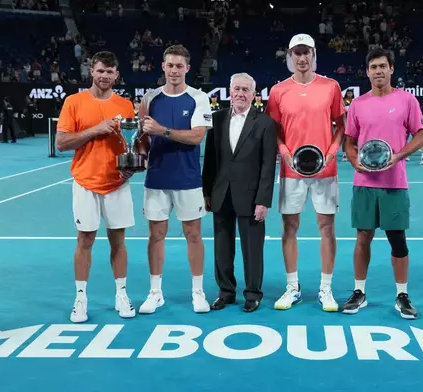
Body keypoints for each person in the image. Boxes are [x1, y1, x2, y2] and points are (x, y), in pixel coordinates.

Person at [342, 47, 423, 320]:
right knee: (362, 237)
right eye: (373, 67)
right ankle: (359, 291)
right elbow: (349, 141)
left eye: (382, 66)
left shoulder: (407, 100)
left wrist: (399, 155)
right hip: (364, 181)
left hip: (394, 181)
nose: (378, 71)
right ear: (367, 72)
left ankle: (402, 295)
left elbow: (420, 136)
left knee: (397, 239)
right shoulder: (358, 104)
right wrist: (355, 162)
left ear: (391, 69)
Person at [55, 51, 137, 323]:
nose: (105, 76)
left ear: (116, 74)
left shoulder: (125, 105)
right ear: (92, 71)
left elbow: (131, 143)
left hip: (117, 182)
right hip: (85, 182)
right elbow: (62, 143)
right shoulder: (74, 102)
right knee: (85, 240)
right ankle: (80, 298)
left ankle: (121, 294)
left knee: (119, 242)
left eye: (110, 71)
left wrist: (133, 164)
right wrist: (94, 130)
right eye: (100, 70)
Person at [266, 33, 346, 312]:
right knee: (289, 227)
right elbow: (273, 130)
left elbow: (341, 125)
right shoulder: (278, 92)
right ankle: (292, 287)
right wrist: (284, 151)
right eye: (296, 53)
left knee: (327, 228)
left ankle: (326, 289)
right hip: (291, 172)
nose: (302, 58)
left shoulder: (331, 87)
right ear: (290, 57)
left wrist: (333, 153)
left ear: (313, 55)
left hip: (326, 170)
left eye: (306, 53)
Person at [136, 44, 213, 314]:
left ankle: (198, 292)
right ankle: (155, 293)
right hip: (156, 178)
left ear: (188, 68)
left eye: (179, 66)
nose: (174, 70)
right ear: (163, 67)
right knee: (155, 235)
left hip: (188, 178)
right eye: (170, 65)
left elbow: (197, 136)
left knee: (194, 234)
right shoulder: (149, 98)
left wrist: (162, 130)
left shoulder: (199, 98)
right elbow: (142, 138)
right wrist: (140, 152)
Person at [202, 73, 277, 313]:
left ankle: (253, 293)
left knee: (252, 248)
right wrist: (207, 192)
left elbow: (268, 165)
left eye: (246, 90)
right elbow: (210, 160)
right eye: (237, 89)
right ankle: (225, 292)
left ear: (254, 95)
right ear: (230, 91)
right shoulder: (217, 119)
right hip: (221, 193)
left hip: (251, 196)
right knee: (222, 247)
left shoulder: (264, 123)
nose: (241, 94)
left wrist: (263, 200)